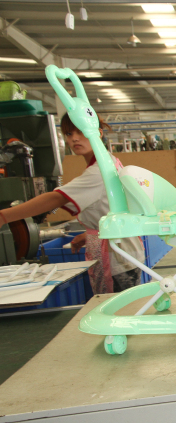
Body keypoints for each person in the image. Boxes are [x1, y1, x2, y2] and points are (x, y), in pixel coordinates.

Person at [0, 114, 143, 294]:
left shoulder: (98, 171)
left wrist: (4, 216)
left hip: (116, 256)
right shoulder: (108, 161)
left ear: (98, 133)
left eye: (81, 131)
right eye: (69, 134)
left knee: (115, 308)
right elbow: (109, 206)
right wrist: (89, 234)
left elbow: (56, 198)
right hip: (122, 249)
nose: (74, 138)